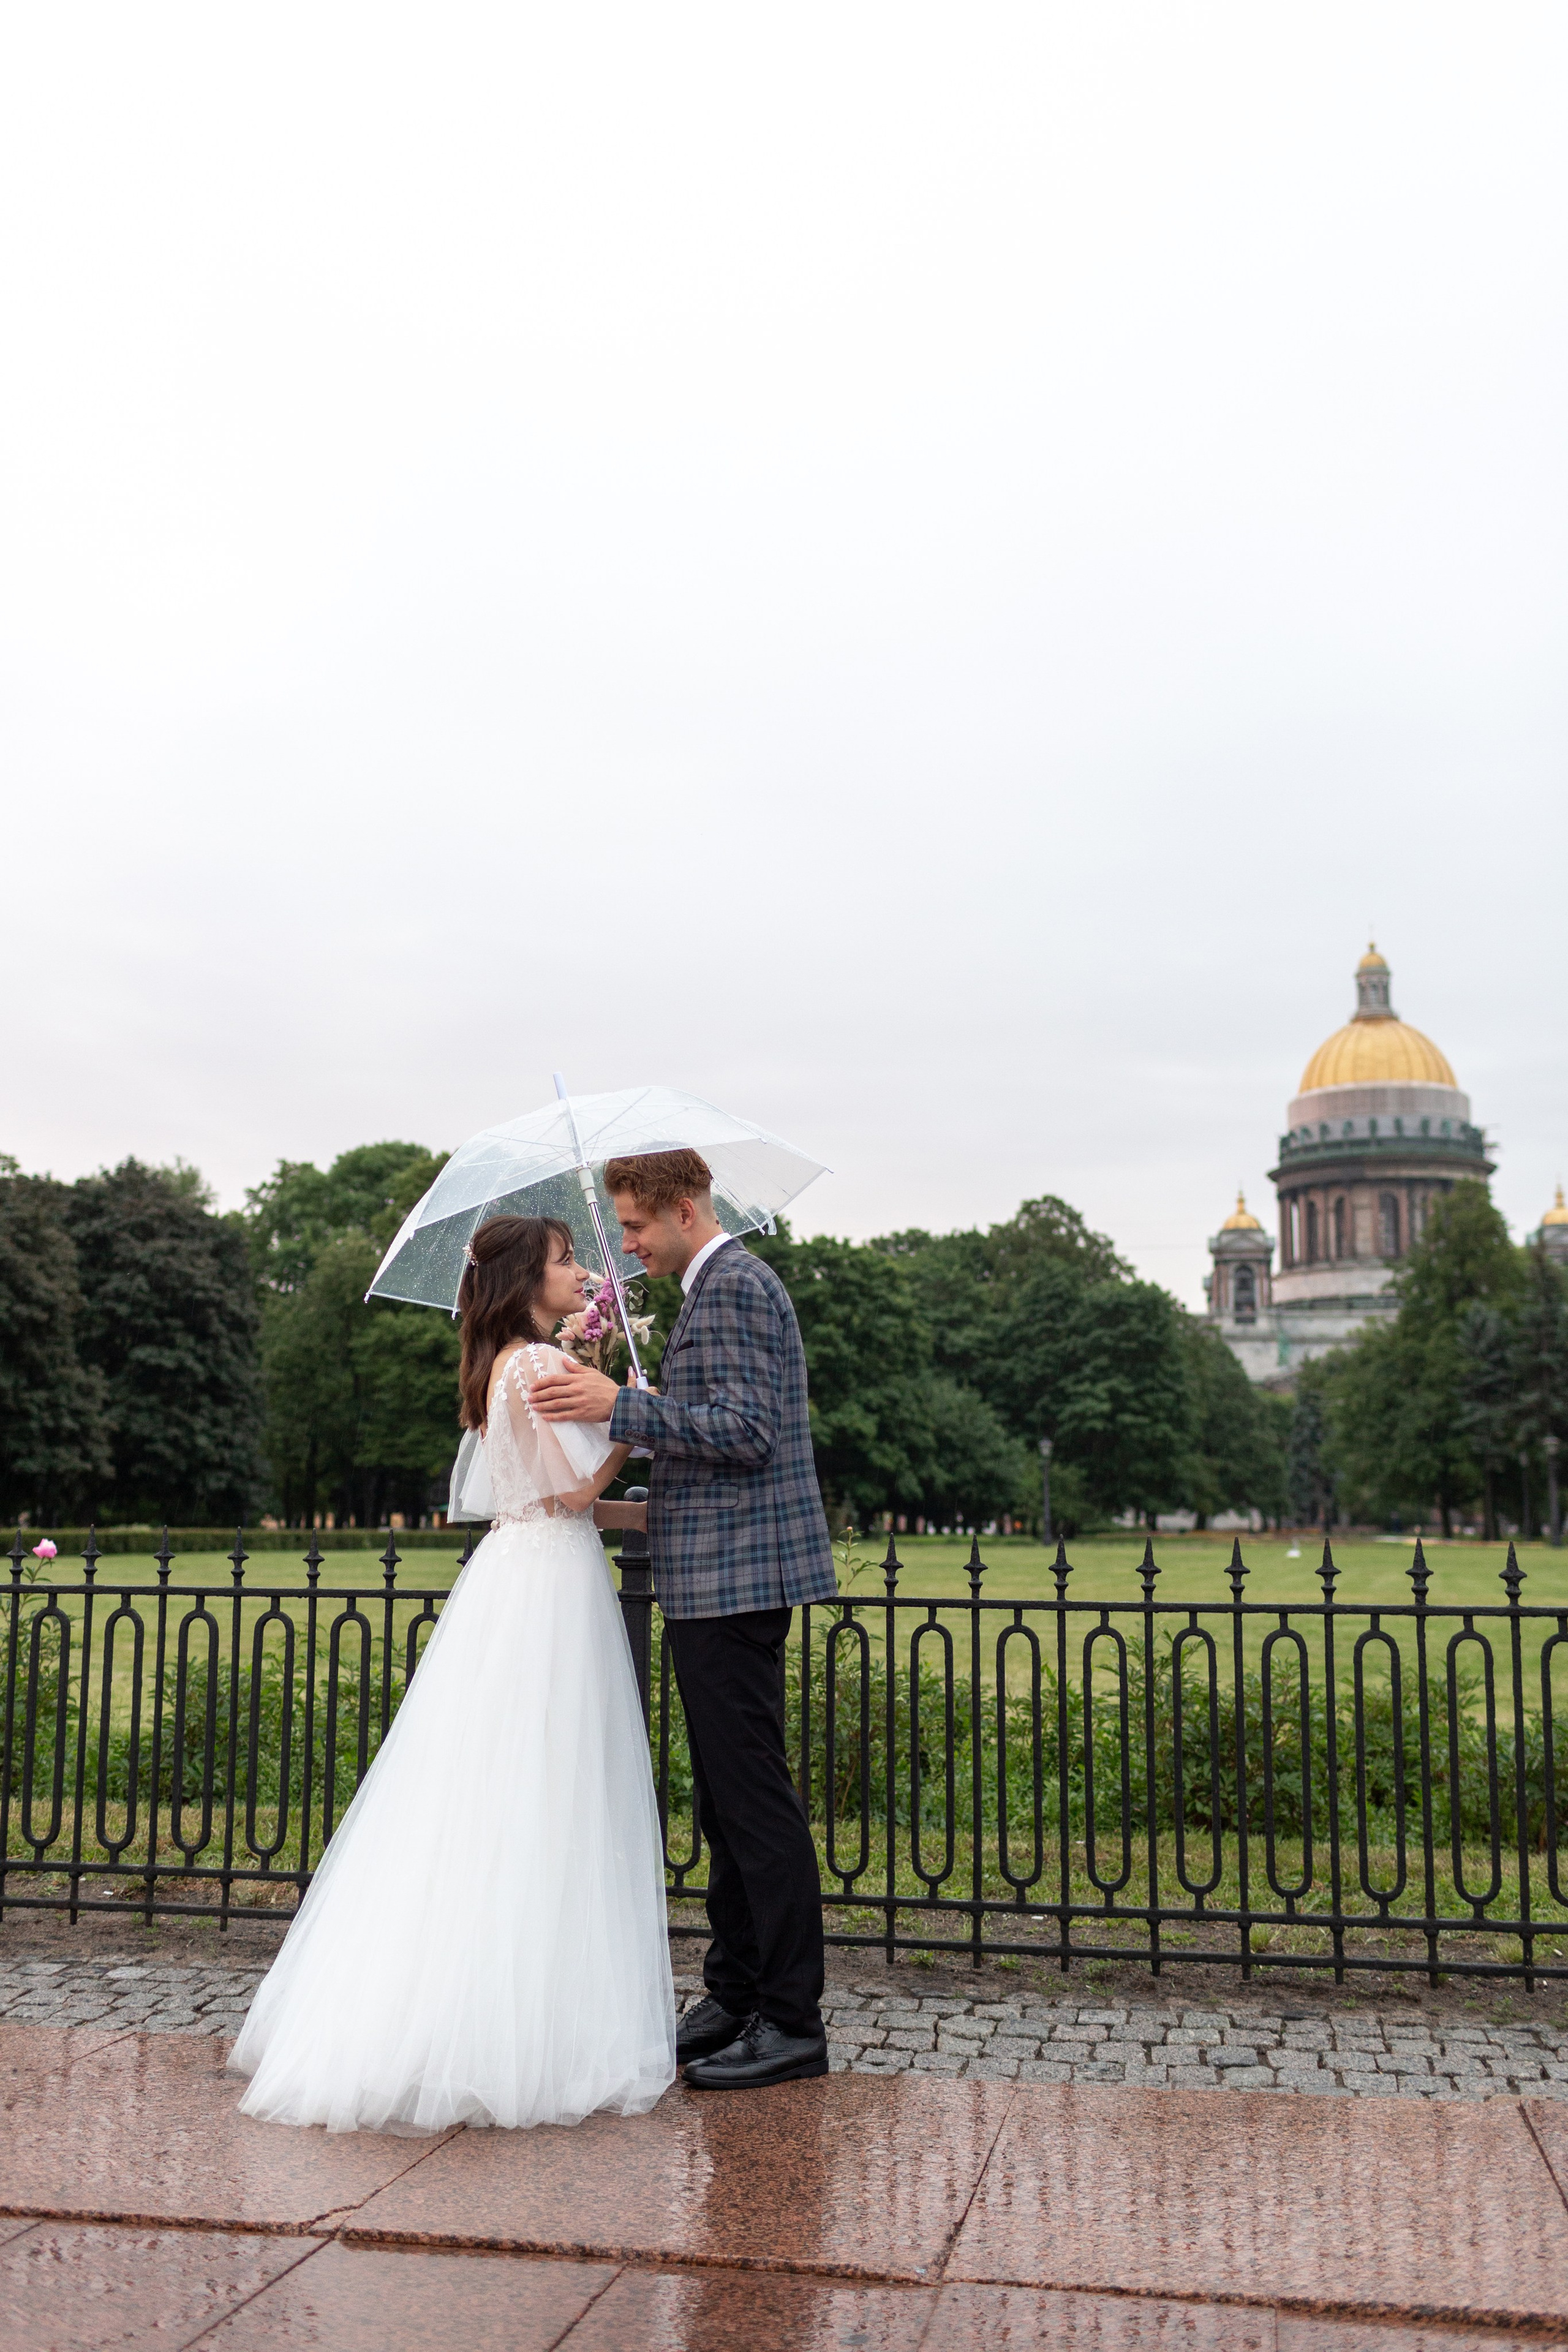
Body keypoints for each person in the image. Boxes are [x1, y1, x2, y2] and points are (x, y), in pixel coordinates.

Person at [227, 1215, 674, 2134]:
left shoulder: (504, 1363)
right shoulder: (539, 1367)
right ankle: (512, 2029)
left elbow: (555, 1506)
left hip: (518, 1574)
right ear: (524, 1280)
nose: (584, 1272)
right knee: (542, 1790)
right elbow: (573, 1497)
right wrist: (633, 1418)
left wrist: (641, 1493)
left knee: (482, 1790)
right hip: (547, 1592)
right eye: (565, 1261)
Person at [527, 1147, 838, 2090]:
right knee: (723, 1802)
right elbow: (722, 1419)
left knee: (753, 1804)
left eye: (633, 1226)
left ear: (686, 1212)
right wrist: (649, 1410)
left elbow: (748, 1432)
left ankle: (791, 2021)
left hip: (739, 1578)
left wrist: (625, 1403)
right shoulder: (715, 1287)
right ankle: (736, 1993)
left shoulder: (736, 1284)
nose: (623, 1246)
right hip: (718, 1577)